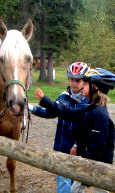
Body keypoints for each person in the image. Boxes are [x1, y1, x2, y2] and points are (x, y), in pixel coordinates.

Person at [35, 68, 115, 193]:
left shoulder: (100, 115)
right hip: (86, 165)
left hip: (98, 169)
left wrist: (83, 173)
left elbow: (96, 149)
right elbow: (68, 112)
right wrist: (45, 101)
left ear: (94, 87)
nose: (82, 86)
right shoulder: (91, 108)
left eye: (85, 83)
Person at [29, 62, 89, 193]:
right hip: (61, 147)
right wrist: (30, 108)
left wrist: (77, 145)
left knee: (76, 185)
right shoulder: (63, 97)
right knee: (63, 183)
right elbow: (50, 112)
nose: (74, 83)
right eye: (72, 79)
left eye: (78, 80)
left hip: (77, 151)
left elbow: (88, 129)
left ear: (85, 82)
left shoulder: (87, 102)